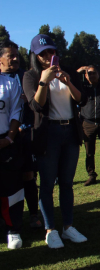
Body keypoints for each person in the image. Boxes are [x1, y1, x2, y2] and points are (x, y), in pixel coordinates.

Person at [23, 34, 87, 249]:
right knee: (47, 185)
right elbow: (36, 106)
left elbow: (80, 99)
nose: (49, 56)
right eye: (43, 53)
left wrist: (68, 82)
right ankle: (50, 230)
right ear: (35, 55)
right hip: (48, 134)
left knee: (67, 184)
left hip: (70, 131)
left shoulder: (66, 72)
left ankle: (68, 227)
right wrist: (44, 80)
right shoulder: (31, 76)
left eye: (52, 51)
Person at [0, 40, 42, 229]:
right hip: (8, 137)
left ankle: (33, 215)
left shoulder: (25, 76)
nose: (16, 59)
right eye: (11, 56)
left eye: (18, 55)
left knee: (28, 176)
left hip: (26, 135)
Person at [0, 68, 24, 249]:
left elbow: (16, 112)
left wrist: (9, 138)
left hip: (5, 141)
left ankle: (13, 229)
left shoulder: (10, 82)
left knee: (11, 188)